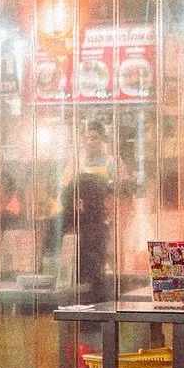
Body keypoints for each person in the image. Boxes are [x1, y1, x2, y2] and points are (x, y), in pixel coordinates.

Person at [60, 122, 114, 301]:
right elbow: (65, 189)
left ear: (102, 140)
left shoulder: (111, 162)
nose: (90, 142)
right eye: (87, 138)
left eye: (95, 138)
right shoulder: (75, 163)